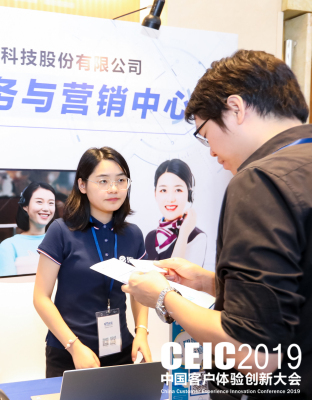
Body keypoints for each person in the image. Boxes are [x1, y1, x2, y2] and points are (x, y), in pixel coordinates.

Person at [122, 50, 311, 399]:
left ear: (236, 108)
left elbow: (255, 356)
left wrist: (163, 297)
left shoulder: (260, 181)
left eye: (205, 133)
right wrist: (210, 283)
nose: (210, 151)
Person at [34, 147, 151, 378]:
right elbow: (41, 298)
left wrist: (141, 332)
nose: (114, 188)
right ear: (82, 185)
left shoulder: (134, 234)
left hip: (121, 349)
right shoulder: (61, 231)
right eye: (103, 181)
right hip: (69, 352)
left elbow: (140, 290)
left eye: (121, 180)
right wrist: (74, 347)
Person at [145, 159, 207, 266]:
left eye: (178, 190)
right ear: (155, 194)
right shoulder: (150, 237)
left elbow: (176, 273)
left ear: (189, 194)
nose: (170, 199)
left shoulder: (197, 237)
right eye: (163, 190)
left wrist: (183, 233)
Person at [0, 182, 56, 277]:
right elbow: (8, 284)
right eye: (39, 202)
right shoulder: (8, 246)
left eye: (51, 203)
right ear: (25, 206)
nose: (46, 208)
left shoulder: (60, 243)